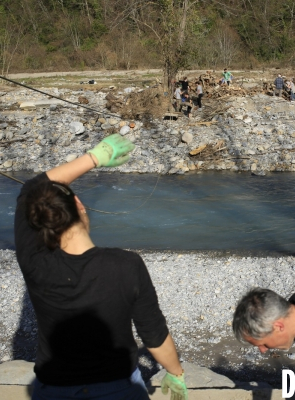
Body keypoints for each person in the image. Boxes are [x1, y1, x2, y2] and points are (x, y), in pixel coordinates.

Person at [15, 134, 188, 400]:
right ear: (79, 207)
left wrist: (93, 157)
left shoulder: (33, 260)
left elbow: (31, 188)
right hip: (118, 388)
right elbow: (153, 334)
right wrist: (175, 373)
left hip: (53, 389)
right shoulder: (126, 264)